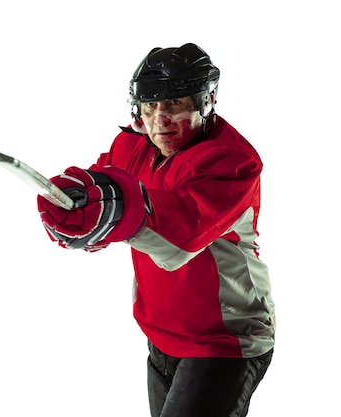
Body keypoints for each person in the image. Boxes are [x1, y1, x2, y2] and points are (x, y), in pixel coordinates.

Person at [37, 43, 275, 417]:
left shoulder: (232, 161)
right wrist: (78, 211)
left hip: (224, 342)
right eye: (150, 107)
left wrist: (114, 212)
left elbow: (182, 233)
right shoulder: (131, 147)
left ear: (206, 101)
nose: (160, 120)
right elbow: (104, 192)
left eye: (175, 104)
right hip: (161, 337)